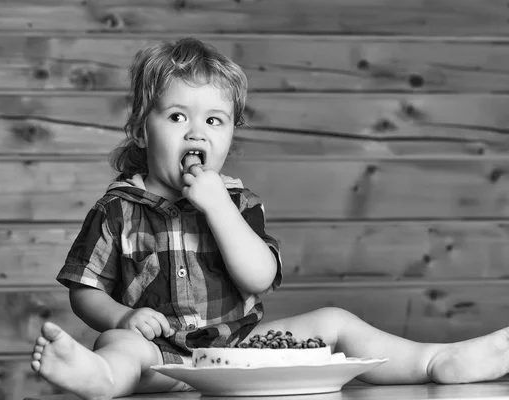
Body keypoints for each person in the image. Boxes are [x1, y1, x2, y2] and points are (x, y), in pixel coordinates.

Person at [31, 37, 509, 400]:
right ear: (140, 128)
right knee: (117, 342)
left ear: (231, 134)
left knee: (335, 321)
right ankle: (103, 378)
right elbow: (84, 288)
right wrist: (124, 315)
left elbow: (258, 277)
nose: (197, 130)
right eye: (177, 116)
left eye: (214, 121)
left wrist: (217, 207)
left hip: (243, 351)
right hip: (163, 359)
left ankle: (435, 361)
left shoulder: (238, 203)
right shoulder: (116, 208)